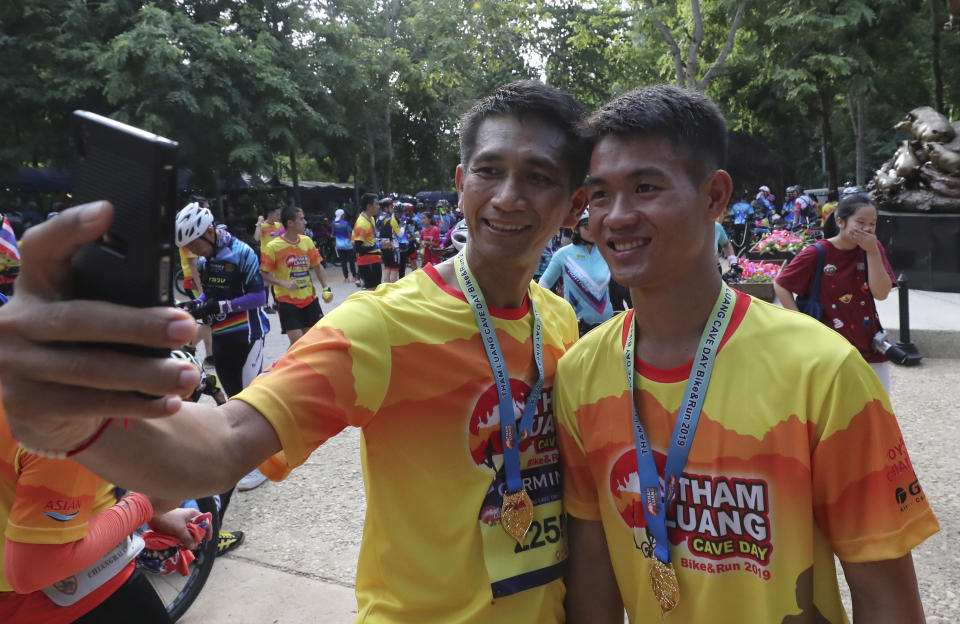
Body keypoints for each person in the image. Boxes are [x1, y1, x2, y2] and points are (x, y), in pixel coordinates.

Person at [0, 80, 590, 622]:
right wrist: (78, 425)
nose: (509, 197)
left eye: (538, 177)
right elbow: (225, 443)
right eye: (490, 171)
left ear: (575, 204)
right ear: (462, 185)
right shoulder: (383, 325)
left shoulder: (560, 322)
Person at [554, 85, 938, 623]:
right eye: (599, 194)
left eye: (645, 187)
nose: (616, 216)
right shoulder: (580, 373)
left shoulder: (820, 371)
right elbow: (592, 572)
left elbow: (887, 600)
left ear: (714, 197)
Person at [0, 380, 207, 624]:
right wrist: (145, 505)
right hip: (70, 603)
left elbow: (37, 487)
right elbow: (34, 569)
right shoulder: (59, 415)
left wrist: (154, 514)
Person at [174, 202, 270, 494]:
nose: (192, 250)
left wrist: (222, 305)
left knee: (249, 399)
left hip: (249, 334)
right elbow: (209, 294)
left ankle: (261, 464)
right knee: (232, 397)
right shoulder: (205, 262)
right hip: (223, 336)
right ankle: (249, 457)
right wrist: (195, 304)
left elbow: (259, 297)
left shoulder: (243, 253)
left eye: (194, 243)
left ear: (209, 233)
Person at [774, 194, 897, 392]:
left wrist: (872, 252)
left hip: (869, 344)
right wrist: (800, 322)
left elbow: (881, 293)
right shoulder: (817, 252)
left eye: (873, 223)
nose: (867, 229)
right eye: (861, 222)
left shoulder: (873, 248)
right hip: (827, 348)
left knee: (877, 410)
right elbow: (781, 284)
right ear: (840, 222)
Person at [260, 206, 334, 346]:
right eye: (301, 219)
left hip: (309, 300)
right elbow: (264, 274)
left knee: (312, 342)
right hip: (287, 302)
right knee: (298, 344)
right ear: (290, 223)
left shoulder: (306, 241)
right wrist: (284, 283)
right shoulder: (273, 247)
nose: (305, 222)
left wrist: (326, 289)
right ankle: (286, 366)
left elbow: (318, 266)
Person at [538, 209, 613, 335]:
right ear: (576, 229)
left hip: (607, 326)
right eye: (587, 226)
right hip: (575, 328)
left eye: (595, 225)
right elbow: (541, 289)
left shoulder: (607, 252)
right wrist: (556, 313)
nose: (592, 230)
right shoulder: (563, 254)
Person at [254, 205, 284, 313]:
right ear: (270, 214)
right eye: (277, 214)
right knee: (267, 281)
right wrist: (258, 223)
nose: (279, 216)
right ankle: (265, 305)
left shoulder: (279, 225)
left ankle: (276, 303)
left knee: (276, 279)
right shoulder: (263, 225)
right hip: (266, 256)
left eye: (279, 214)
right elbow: (257, 238)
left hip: (278, 256)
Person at [352, 193, 382, 290]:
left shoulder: (371, 218)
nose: (378, 207)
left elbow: (370, 240)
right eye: (376, 204)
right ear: (369, 206)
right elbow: (358, 248)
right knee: (372, 290)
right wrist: (379, 245)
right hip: (367, 262)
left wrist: (380, 242)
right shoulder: (362, 223)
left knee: (377, 289)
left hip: (375, 259)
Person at [332, 208, 359, 284]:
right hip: (348, 245)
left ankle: (346, 278)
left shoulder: (333, 223)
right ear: (342, 215)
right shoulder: (345, 223)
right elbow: (350, 233)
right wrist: (352, 241)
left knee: (343, 262)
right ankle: (354, 276)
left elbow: (333, 232)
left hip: (339, 245)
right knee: (351, 261)